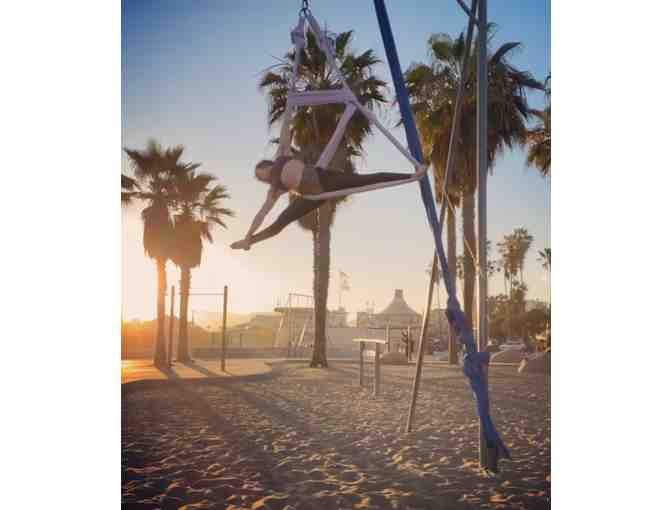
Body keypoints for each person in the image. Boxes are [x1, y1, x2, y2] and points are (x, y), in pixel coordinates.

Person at [230, 156, 419, 250]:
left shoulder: (281, 158)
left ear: (264, 166)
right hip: (311, 198)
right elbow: (262, 214)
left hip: (326, 180)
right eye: (259, 178)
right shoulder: (276, 188)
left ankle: (412, 176)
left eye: (258, 174)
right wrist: (248, 235)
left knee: (368, 179)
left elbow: (286, 133)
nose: (260, 178)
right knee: (280, 223)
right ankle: (249, 242)